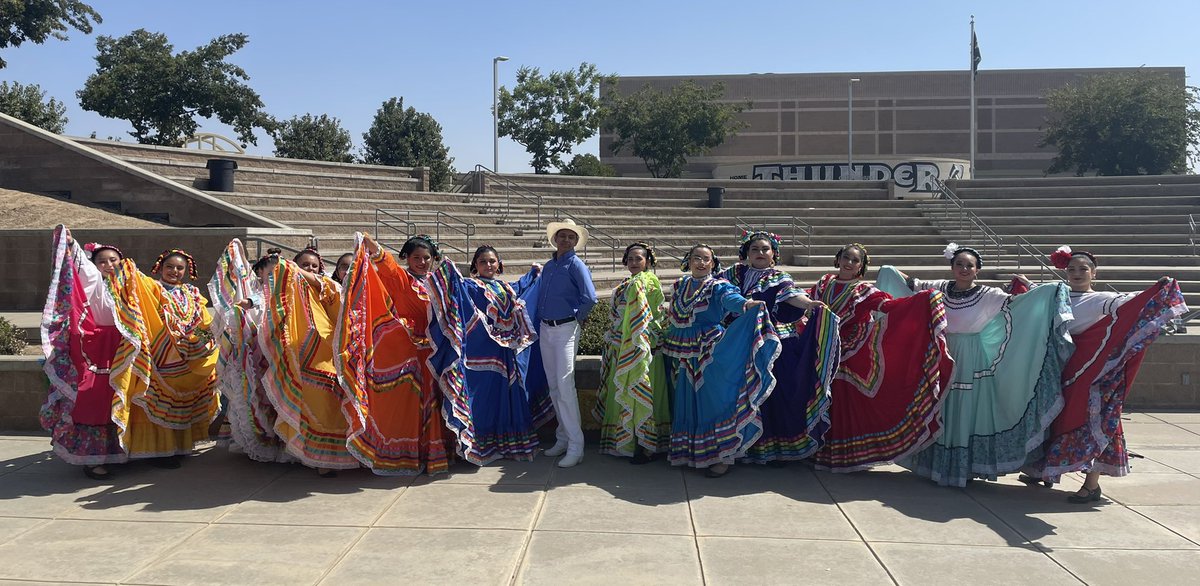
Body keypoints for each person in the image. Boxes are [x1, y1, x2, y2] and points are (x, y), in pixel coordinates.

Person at [876, 243, 1072, 487]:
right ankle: (936, 464)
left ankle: (964, 467)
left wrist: (1046, 290)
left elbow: (1019, 303)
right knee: (941, 405)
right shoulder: (938, 287)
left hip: (970, 356)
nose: (964, 269)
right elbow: (910, 283)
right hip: (942, 352)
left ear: (978, 269)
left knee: (966, 407)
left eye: (970, 265)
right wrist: (888, 269)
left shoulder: (989, 294)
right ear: (952, 267)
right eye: (959, 264)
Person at [1022, 246, 1188, 503]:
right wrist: (1025, 285)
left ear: (1094, 273)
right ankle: (1043, 469)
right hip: (1059, 365)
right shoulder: (1057, 294)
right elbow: (1035, 298)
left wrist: (1156, 290)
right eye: (1072, 269)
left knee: (1092, 417)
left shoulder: (1102, 299)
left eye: (1083, 269)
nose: (1077, 273)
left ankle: (1091, 485)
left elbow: (1133, 303)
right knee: (1053, 416)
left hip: (1092, 367)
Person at [809, 243, 954, 472]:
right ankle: (817, 447)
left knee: (844, 401)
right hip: (820, 347)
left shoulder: (863, 290)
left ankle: (844, 453)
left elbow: (887, 306)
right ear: (838, 259)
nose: (849, 263)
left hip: (849, 351)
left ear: (861, 267)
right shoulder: (823, 283)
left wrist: (923, 300)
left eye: (855, 260)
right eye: (846, 257)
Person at [664, 244, 782, 478]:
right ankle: (692, 451)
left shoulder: (718, 286)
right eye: (696, 257)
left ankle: (723, 455)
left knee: (715, 399)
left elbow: (732, 299)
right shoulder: (679, 286)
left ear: (713, 263)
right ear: (689, 260)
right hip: (682, 350)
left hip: (709, 350)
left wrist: (746, 305)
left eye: (706, 259)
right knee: (687, 399)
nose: (701, 262)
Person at [336, 234, 450, 475]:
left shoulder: (439, 283)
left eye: (426, 257)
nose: (421, 262)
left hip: (437, 350)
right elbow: (385, 264)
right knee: (411, 404)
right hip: (409, 351)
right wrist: (371, 245)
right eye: (416, 257)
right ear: (406, 258)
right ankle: (410, 455)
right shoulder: (402, 279)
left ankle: (435, 454)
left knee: (437, 401)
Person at [717, 231, 833, 465]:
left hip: (769, 340)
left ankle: (766, 446)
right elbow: (713, 290)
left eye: (765, 249)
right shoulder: (732, 274)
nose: (760, 253)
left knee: (770, 392)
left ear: (773, 254)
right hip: (736, 338)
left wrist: (809, 303)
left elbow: (791, 296)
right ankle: (732, 443)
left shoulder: (779, 277)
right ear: (746, 253)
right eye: (755, 249)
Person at [99, 246, 221, 468]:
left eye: (179, 268)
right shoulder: (153, 287)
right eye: (170, 267)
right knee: (156, 399)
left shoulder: (192, 293)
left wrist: (206, 339)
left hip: (187, 355)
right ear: (160, 268)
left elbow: (204, 321)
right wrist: (124, 267)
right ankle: (159, 451)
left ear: (187, 270)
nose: (174, 271)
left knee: (183, 400)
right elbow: (135, 285)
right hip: (159, 353)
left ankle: (178, 447)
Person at [426, 245, 544, 465]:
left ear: (499, 264)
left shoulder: (506, 288)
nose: (488, 265)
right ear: (475, 266)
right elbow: (457, 296)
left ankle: (505, 443)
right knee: (482, 399)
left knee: (506, 397)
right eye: (483, 262)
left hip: (505, 354)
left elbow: (522, 287)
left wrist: (534, 273)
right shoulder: (470, 285)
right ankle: (477, 445)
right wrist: (448, 273)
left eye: (492, 261)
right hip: (480, 355)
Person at [40, 226, 130, 479]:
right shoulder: (96, 284)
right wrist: (72, 245)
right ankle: (91, 459)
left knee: (118, 401)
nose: (109, 265)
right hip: (96, 350)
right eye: (103, 261)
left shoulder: (131, 286)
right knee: (94, 403)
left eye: (114, 260)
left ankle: (119, 452)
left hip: (123, 352)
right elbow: (86, 272)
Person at [259, 244, 357, 477]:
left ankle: (332, 457)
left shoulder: (329, 286)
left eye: (315, 265)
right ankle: (312, 456)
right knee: (309, 405)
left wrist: (293, 268)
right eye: (305, 264)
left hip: (331, 353)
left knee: (329, 403)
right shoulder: (287, 288)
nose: (310, 268)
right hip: (299, 354)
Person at [209, 242, 288, 463]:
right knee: (258, 397)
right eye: (269, 270)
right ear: (260, 271)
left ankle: (285, 441)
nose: (273, 274)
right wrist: (248, 303)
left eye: (278, 271)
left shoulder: (287, 293)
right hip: (257, 354)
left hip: (281, 353)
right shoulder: (255, 293)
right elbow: (256, 303)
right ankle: (262, 438)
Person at [594, 242, 672, 463]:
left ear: (648, 261)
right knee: (628, 389)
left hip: (643, 347)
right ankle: (629, 440)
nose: (634, 262)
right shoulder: (627, 282)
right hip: (624, 345)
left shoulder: (648, 280)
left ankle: (647, 445)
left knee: (644, 389)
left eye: (639, 258)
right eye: (630, 259)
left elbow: (644, 314)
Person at [535, 218, 598, 468]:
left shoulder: (576, 265)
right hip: (546, 328)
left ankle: (576, 445)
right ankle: (562, 437)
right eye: (562, 236)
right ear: (555, 239)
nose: (566, 240)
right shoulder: (550, 266)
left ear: (576, 242)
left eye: (571, 237)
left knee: (565, 385)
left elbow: (590, 298)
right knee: (553, 386)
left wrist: (576, 318)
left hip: (564, 328)